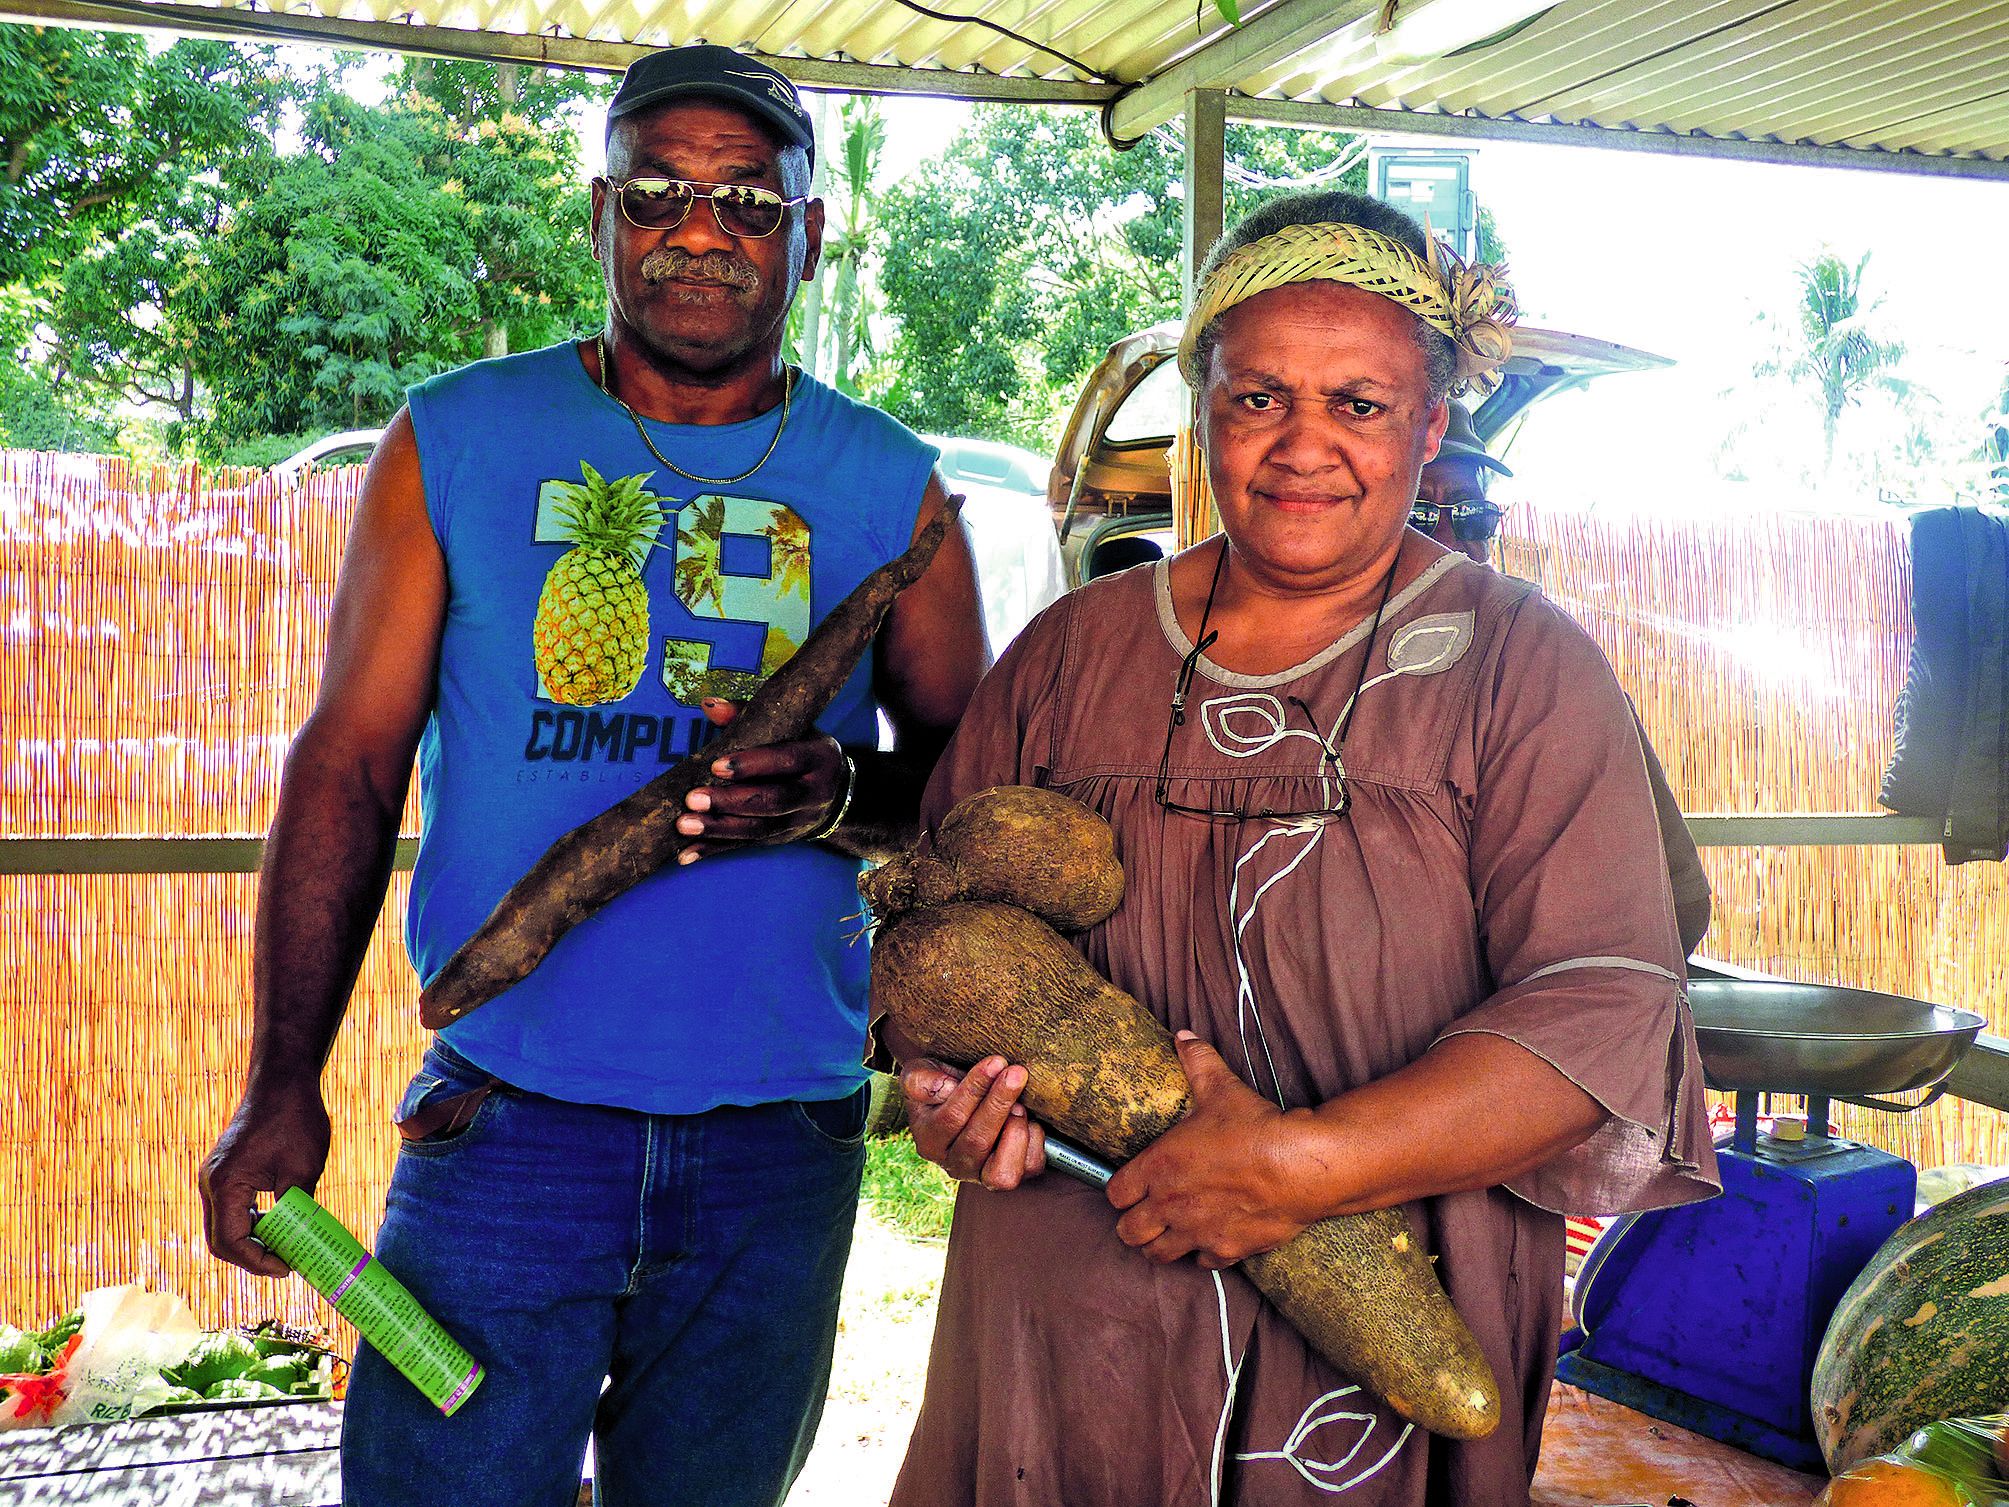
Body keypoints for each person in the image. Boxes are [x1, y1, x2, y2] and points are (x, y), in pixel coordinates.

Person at [198, 44, 987, 1507]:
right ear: (603, 218)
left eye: (748, 202)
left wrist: (831, 798)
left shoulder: (894, 484)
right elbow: (349, 767)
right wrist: (280, 1080)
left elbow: (971, 799)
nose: (699, 231)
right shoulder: (455, 437)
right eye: (657, 195)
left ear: (809, 233)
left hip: (780, 1137)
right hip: (506, 1121)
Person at [882, 190, 1720, 1506]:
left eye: (1360, 403)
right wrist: (947, 1100)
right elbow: (939, 939)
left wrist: (1300, 1168)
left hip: (1390, 1336)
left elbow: (1605, 1004)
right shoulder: (1069, 653)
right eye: (1258, 397)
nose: (1302, 445)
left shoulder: (1520, 667)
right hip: (1070, 1306)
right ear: (1204, 408)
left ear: (1430, 426)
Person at [1412, 404, 1714, 955]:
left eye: (1475, 517)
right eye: (1420, 519)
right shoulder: (1315, 698)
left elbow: (1676, 903)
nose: (1453, 543)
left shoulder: (1557, 680)